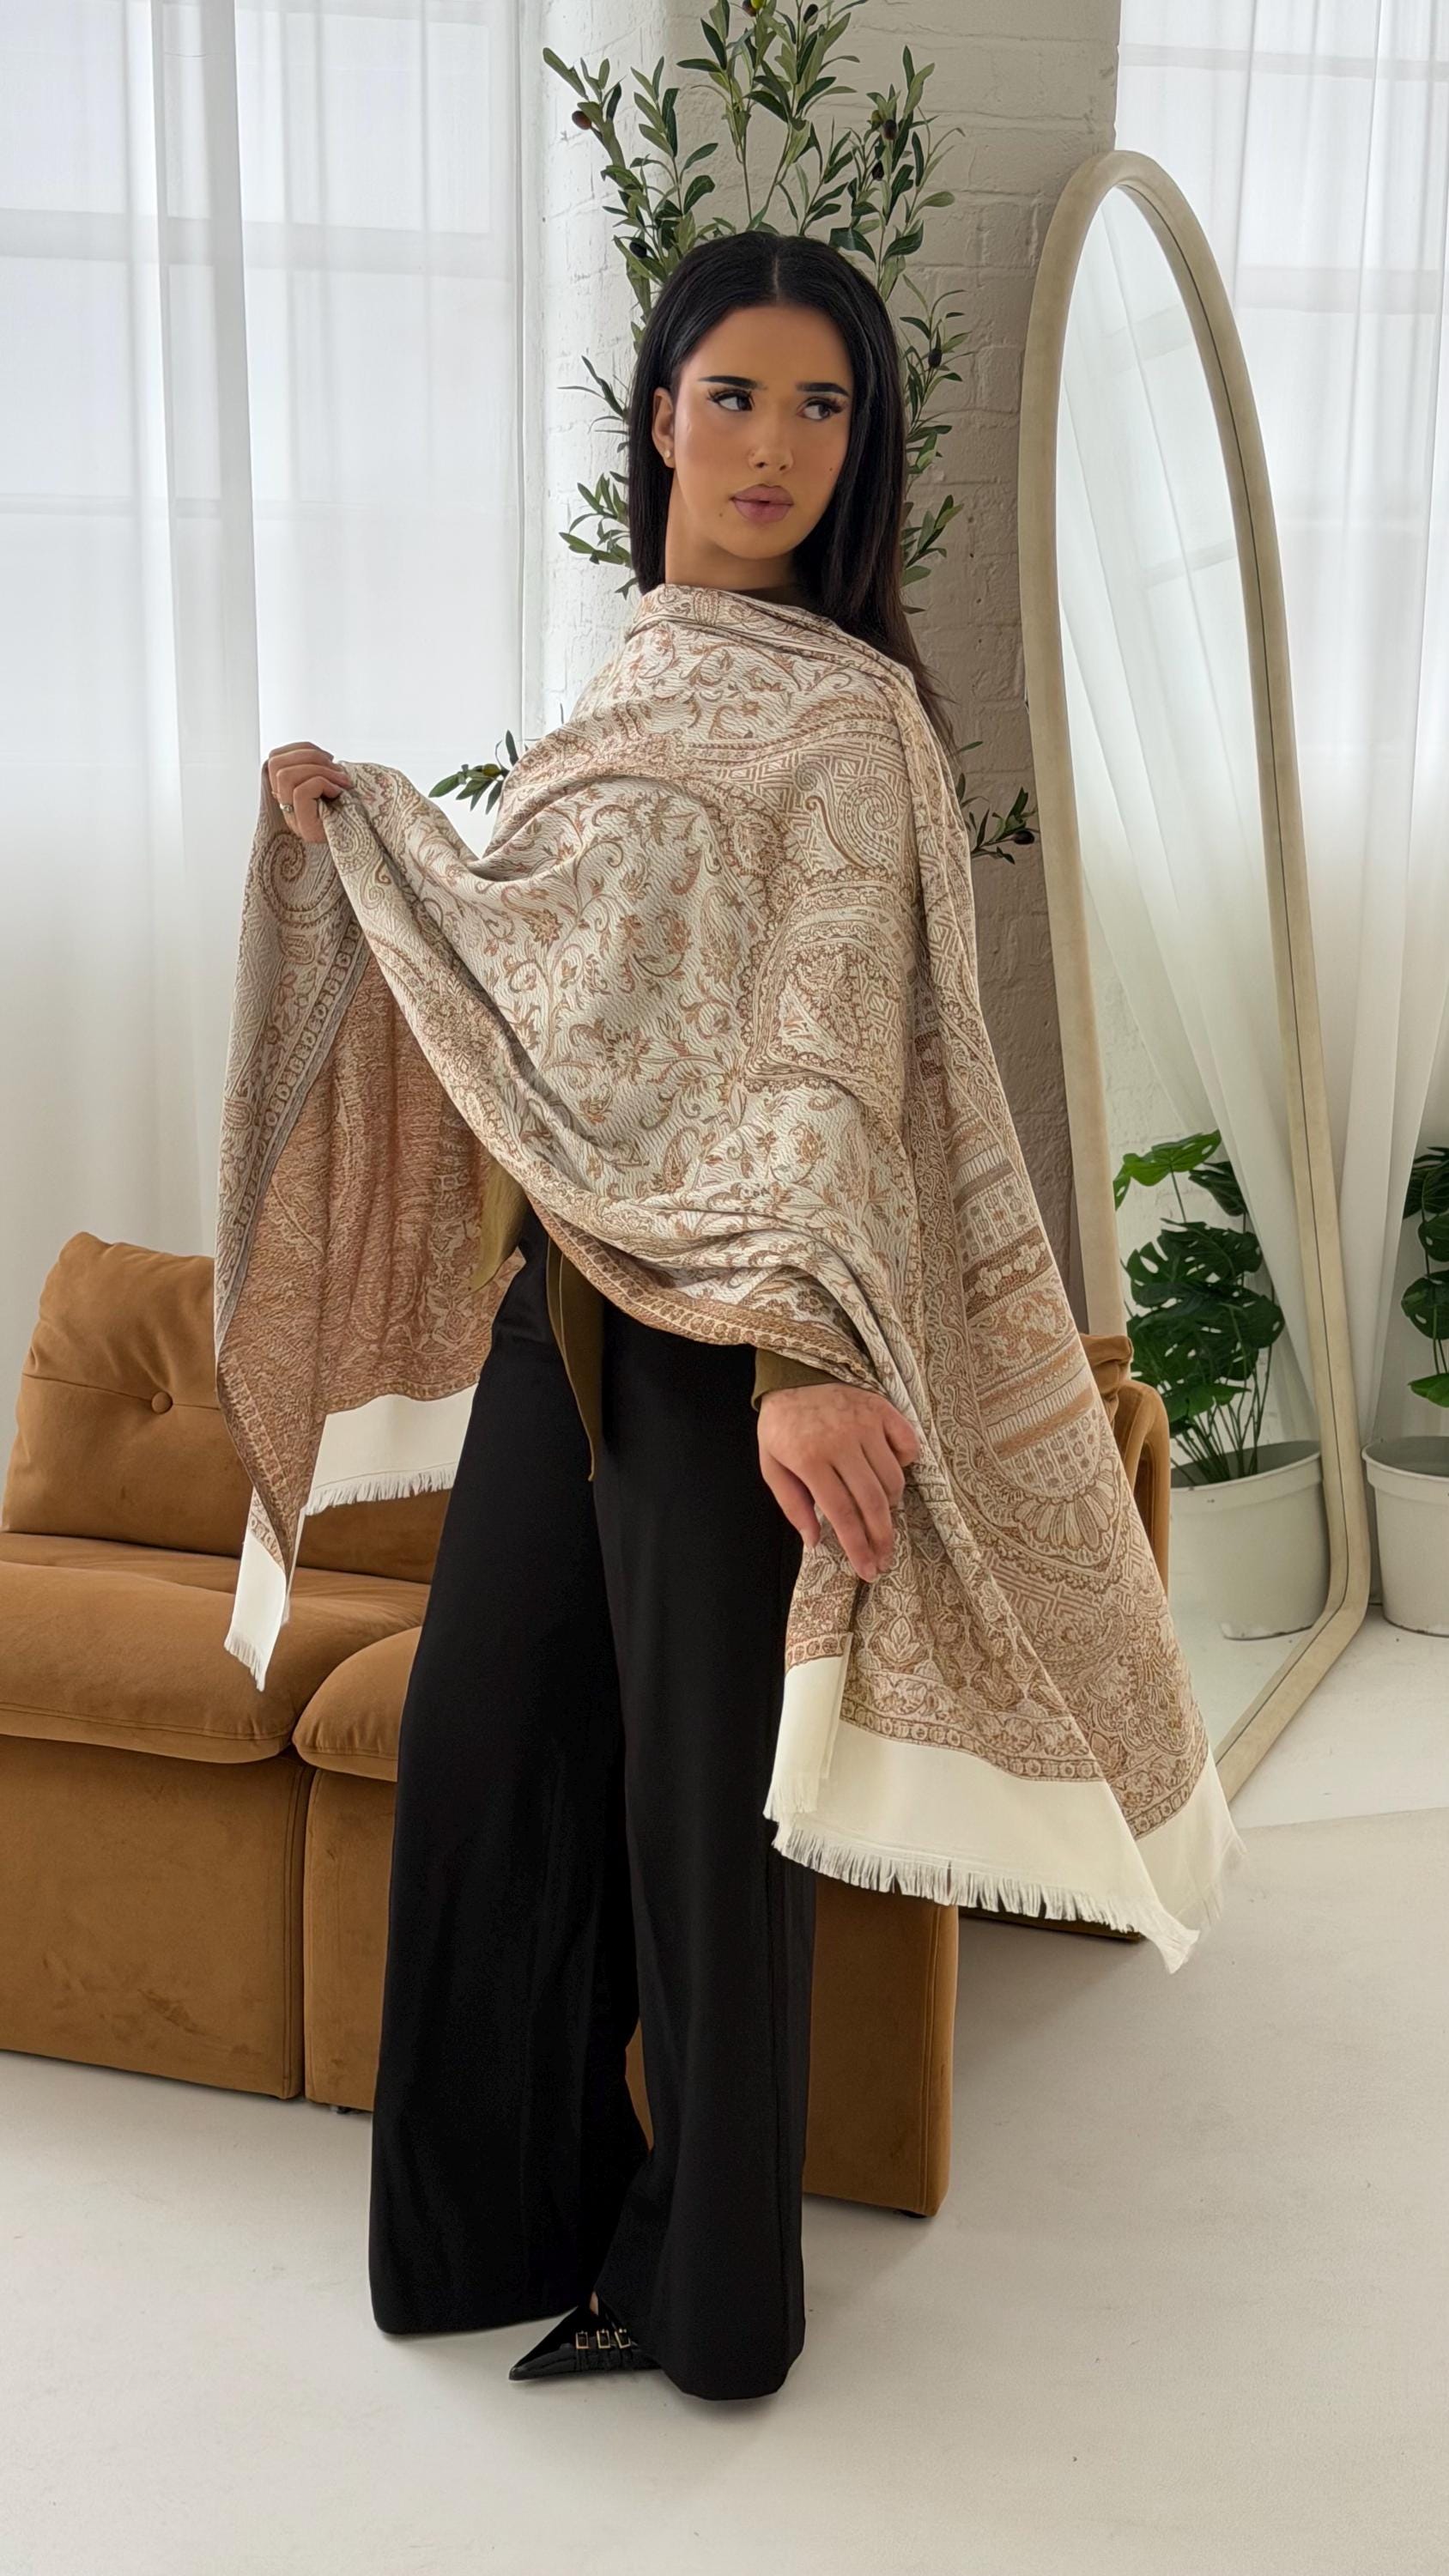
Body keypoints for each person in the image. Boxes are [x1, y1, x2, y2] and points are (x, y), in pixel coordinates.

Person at [264, 229, 954, 2402]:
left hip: (722, 1344)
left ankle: (706, 2293)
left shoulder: (854, 720)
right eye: (734, 396)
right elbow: (564, 987)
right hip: (558, 1306)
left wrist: (803, 1356)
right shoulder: (625, 683)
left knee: (694, 1820)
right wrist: (367, 827)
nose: (772, 446)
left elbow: (825, 1049)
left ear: (860, 453)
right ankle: (503, 2229)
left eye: (820, 407)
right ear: (655, 414)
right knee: (486, 1752)